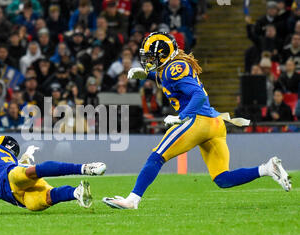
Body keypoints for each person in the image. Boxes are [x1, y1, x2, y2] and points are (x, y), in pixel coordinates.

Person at [103, 32, 292, 210]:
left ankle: (132, 200)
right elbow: (169, 79)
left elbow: (198, 95)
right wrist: (147, 74)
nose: (148, 61)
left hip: (196, 121)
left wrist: (182, 116)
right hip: (215, 124)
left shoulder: (173, 69)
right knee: (222, 179)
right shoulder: (173, 65)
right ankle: (267, 168)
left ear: (163, 55)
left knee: (157, 156)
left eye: (151, 57)